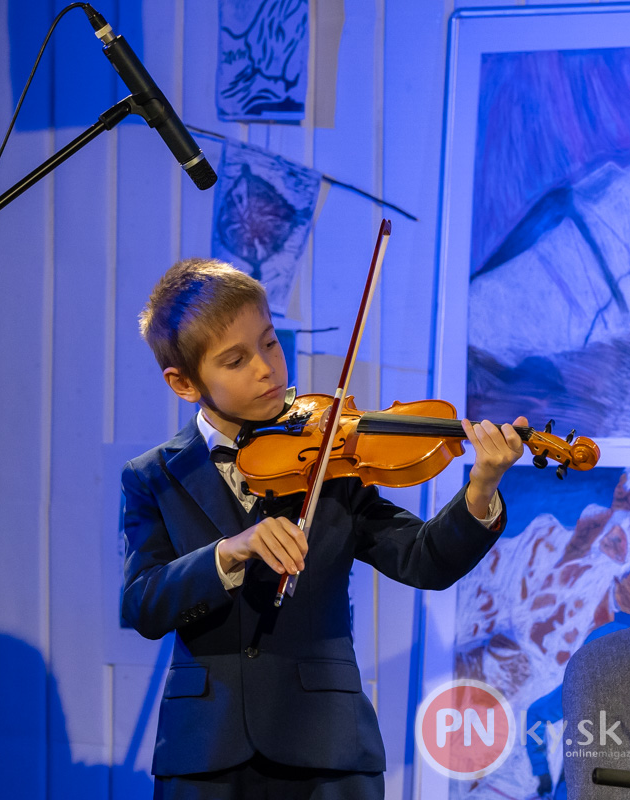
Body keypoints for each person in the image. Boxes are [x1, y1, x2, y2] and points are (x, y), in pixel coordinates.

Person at [121, 258, 527, 799]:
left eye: (270, 343)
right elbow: (143, 604)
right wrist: (229, 553)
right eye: (236, 360)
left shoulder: (330, 454)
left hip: (327, 747)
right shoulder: (152, 476)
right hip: (205, 751)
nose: (267, 368)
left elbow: (423, 560)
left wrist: (481, 487)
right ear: (184, 383)